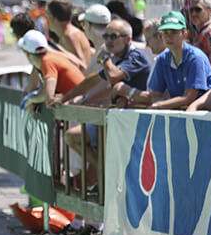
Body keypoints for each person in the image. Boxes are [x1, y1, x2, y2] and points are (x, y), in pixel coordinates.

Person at [61, 18, 150, 187]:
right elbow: (92, 80)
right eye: (106, 36)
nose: (108, 40)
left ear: (127, 39)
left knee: (116, 160)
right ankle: (106, 170)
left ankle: (107, 179)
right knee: (72, 137)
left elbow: (114, 76)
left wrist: (106, 59)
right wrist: (65, 98)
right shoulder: (116, 57)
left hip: (133, 123)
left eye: (113, 36)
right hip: (116, 119)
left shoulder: (135, 56)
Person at [114, 11, 211, 109]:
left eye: (174, 32)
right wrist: (132, 101)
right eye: (165, 32)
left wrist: (159, 105)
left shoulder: (196, 58)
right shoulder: (162, 59)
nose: (168, 37)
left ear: (184, 34)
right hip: (182, 114)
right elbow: (155, 96)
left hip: (207, 114)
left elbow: (189, 98)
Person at [18, 30, 85, 113]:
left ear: (28, 54)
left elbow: (48, 95)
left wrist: (30, 100)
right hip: (81, 104)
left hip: (82, 106)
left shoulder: (47, 62)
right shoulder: (50, 58)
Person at [46, 0, 94, 66]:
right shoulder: (72, 32)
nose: (46, 17)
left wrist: (53, 52)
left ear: (53, 17)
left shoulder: (68, 35)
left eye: (47, 14)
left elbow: (81, 65)